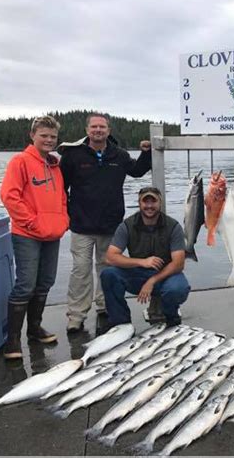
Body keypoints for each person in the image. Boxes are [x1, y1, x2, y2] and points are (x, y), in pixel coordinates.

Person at [59, 113, 152, 332]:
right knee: (80, 270)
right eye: (94, 127)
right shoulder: (73, 155)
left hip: (110, 224)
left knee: (107, 268)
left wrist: (146, 153)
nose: (98, 130)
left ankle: (104, 305)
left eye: (102, 127)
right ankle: (76, 314)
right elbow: (61, 187)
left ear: (108, 130)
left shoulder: (119, 155)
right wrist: (63, 214)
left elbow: (137, 171)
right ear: (87, 130)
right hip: (81, 225)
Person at [0, 115, 69, 359]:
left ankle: (35, 329)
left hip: (52, 233)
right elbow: (10, 196)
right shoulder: (20, 161)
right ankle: (13, 340)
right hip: (27, 234)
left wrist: (63, 220)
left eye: (53, 137)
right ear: (32, 136)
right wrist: (32, 222)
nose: (49, 140)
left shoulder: (55, 165)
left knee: (45, 281)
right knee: (25, 285)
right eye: (44, 136)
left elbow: (61, 197)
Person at [100, 186, 190, 329]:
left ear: (160, 203)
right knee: (108, 274)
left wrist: (152, 281)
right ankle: (121, 324)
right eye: (145, 202)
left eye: (153, 202)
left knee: (177, 288)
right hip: (138, 274)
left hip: (166, 275)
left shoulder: (173, 226)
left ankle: (171, 319)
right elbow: (110, 257)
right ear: (139, 203)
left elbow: (179, 263)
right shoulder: (127, 225)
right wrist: (142, 262)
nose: (149, 206)